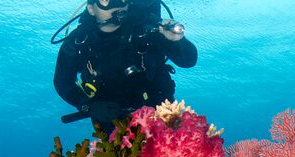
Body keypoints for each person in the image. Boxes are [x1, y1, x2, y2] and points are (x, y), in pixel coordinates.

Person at [54, 0, 197, 131]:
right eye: (106, 1)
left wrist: (177, 41)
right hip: (109, 119)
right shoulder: (79, 41)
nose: (116, 4)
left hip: (160, 111)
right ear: (91, 9)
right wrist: (88, 106)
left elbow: (188, 61)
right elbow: (62, 82)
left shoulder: (147, 28)